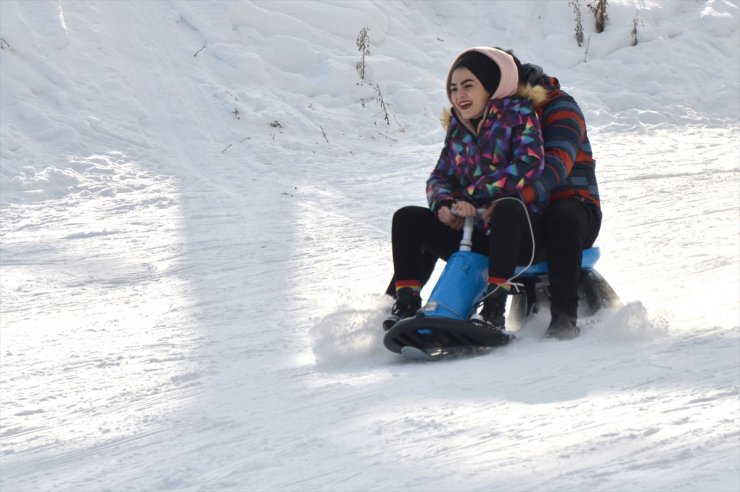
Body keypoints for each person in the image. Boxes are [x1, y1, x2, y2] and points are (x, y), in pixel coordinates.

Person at [385, 53, 602, 341]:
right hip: (495, 220)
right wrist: (448, 205)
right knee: (412, 220)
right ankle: (399, 305)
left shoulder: (553, 109)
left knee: (559, 215)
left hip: (567, 205)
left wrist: (485, 201)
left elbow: (553, 166)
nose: (463, 94)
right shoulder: (466, 122)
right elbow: (444, 174)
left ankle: (563, 318)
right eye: (455, 87)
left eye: (472, 84)